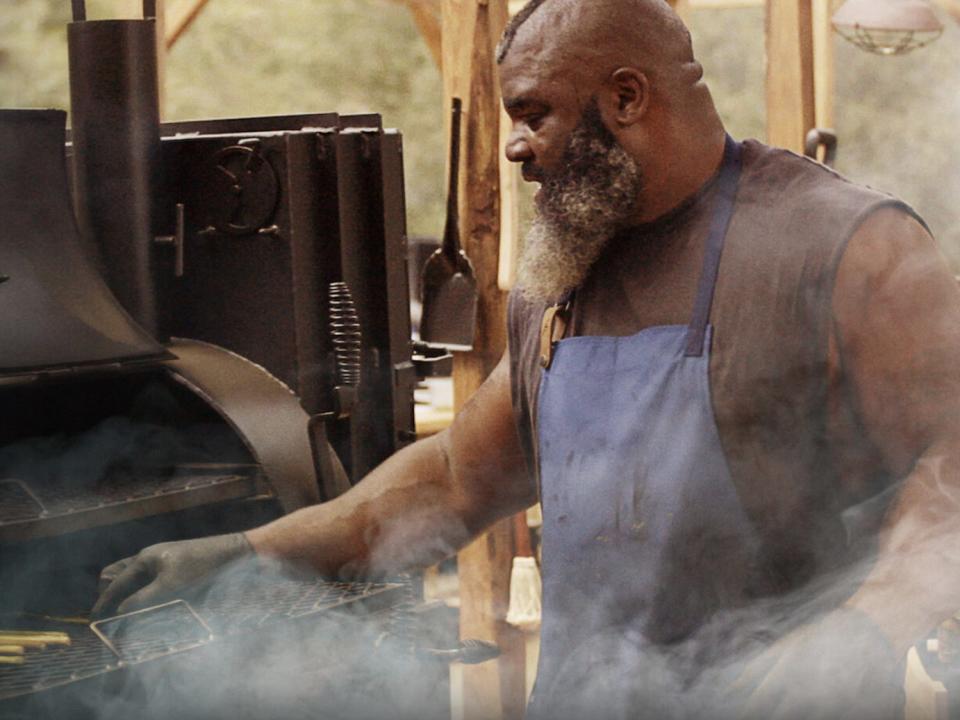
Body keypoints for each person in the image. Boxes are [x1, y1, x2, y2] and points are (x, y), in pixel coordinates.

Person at [94, 0, 960, 717]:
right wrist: (250, 550)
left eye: (533, 112)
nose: (514, 149)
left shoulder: (845, 244)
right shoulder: (565, 272)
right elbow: (456, 477)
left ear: (626, 95)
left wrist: (869, 626)